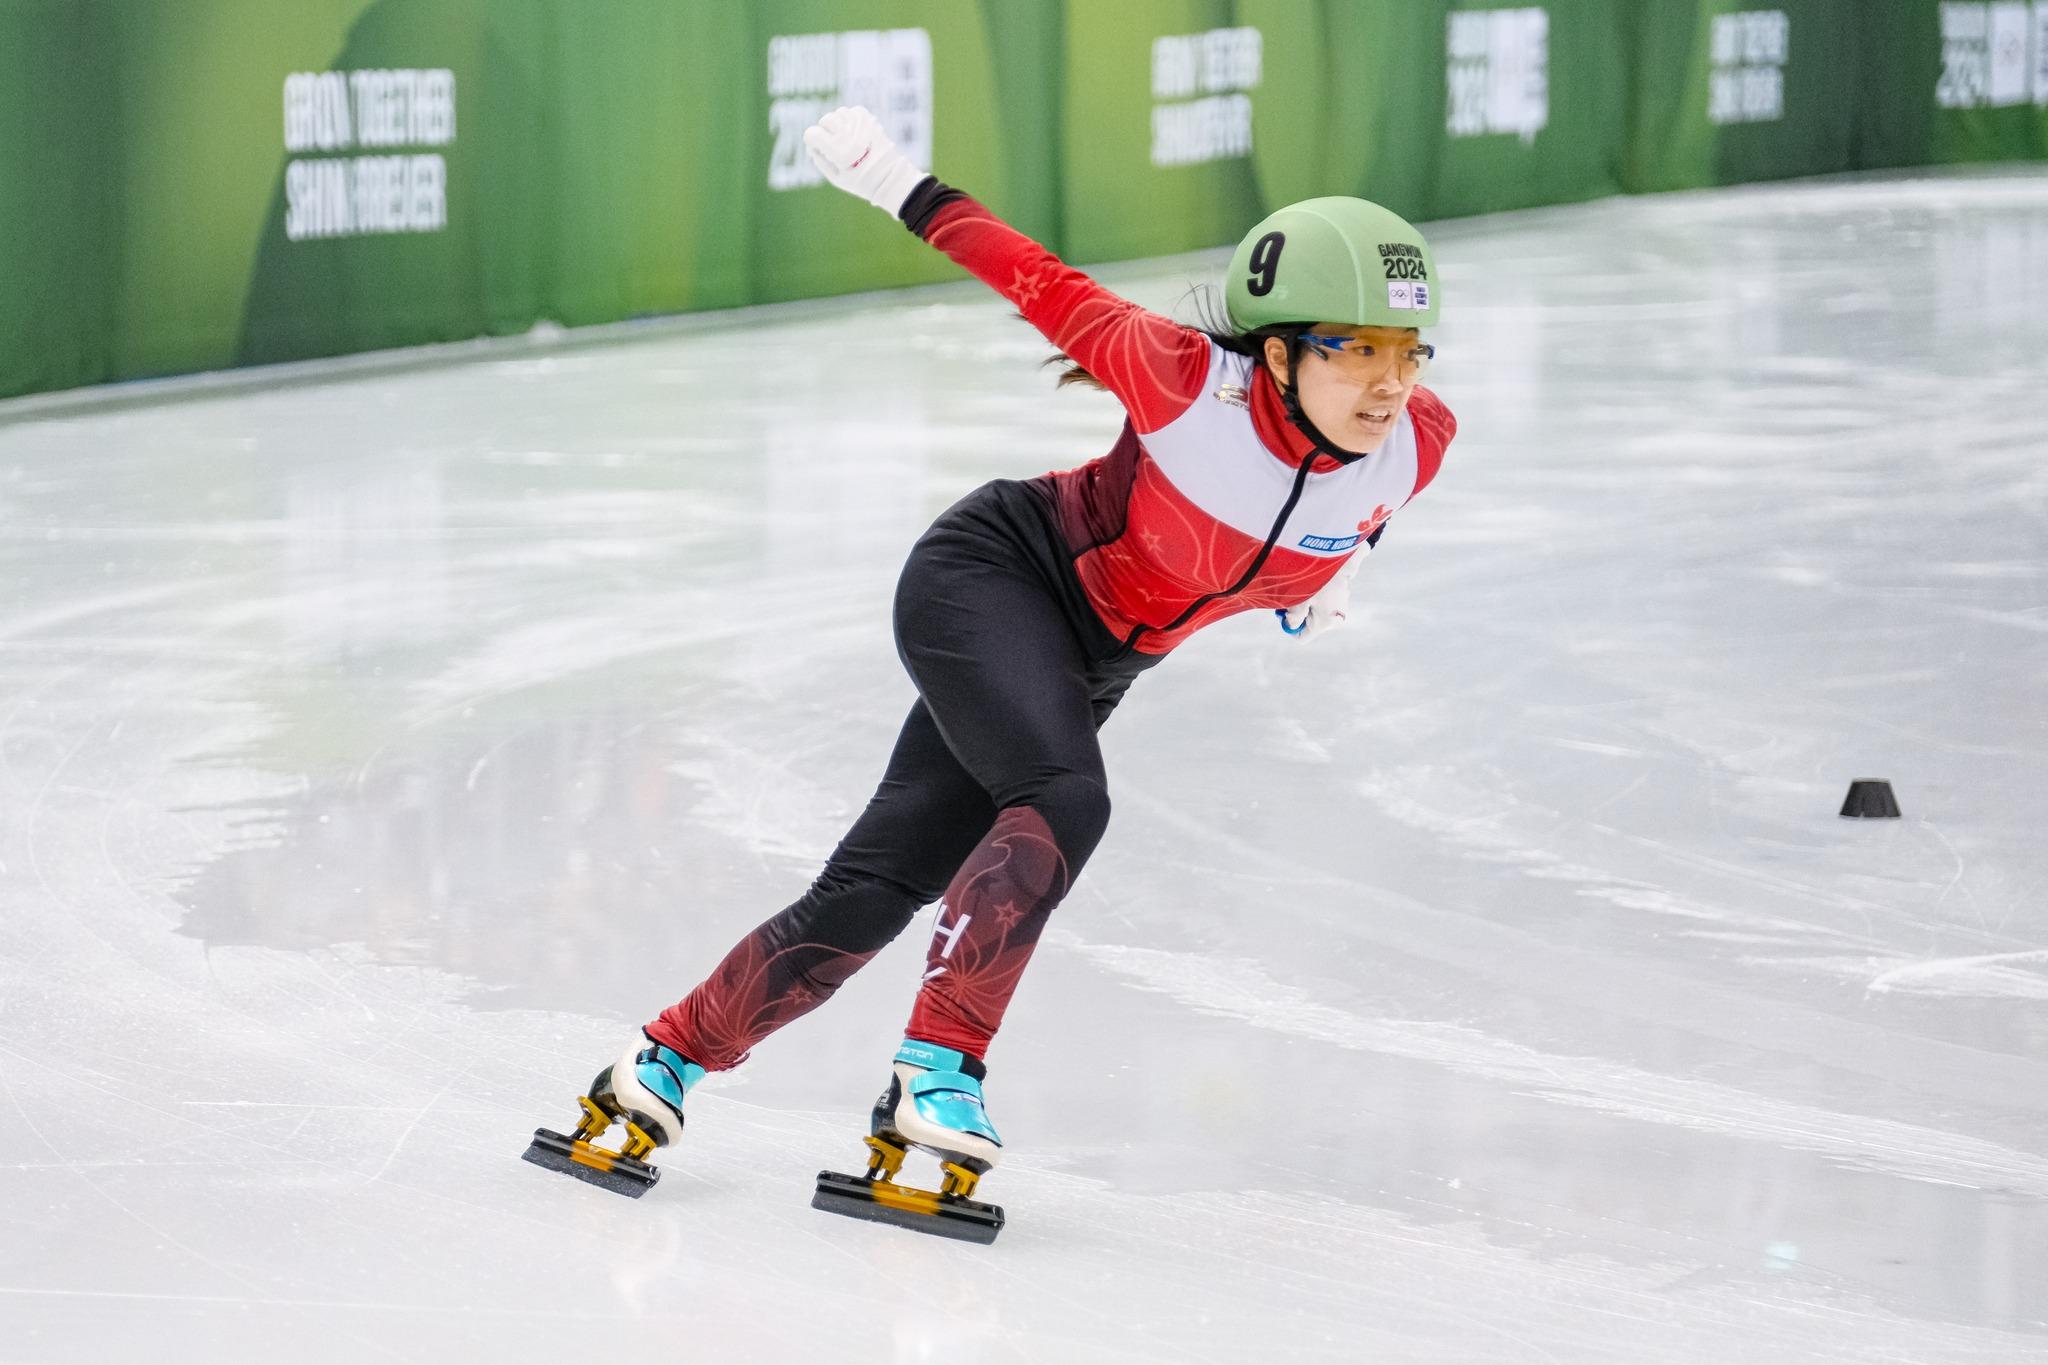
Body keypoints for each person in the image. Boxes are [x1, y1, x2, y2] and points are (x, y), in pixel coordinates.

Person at [529, 106, 1456, 1225]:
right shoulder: (1176, 379)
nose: (1389, 382)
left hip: (1093, 663)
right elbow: (1033, 278)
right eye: (1356, 348)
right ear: (1277, 352)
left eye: (1406, 350)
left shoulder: (1418, 443)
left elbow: (1345, 517)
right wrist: (892, 178)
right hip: (992, 576)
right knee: (1065, 796)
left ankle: (656, 1066)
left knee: (876, 886)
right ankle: (937, 1073)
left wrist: (1330, 574)